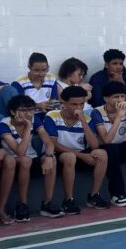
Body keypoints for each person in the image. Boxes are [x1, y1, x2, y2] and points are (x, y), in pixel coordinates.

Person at [38, 85, 111, 214]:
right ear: (64, 103)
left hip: (79, 153)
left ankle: (94, 195)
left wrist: (83, 121)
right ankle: (68, 200)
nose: (78, 108)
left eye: (81, 104)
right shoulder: (52, 116)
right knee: (69, 157)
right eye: (74, 104)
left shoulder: (86, 118)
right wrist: (81, 156)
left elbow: (94, 145)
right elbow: (53, 144)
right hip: (57, 153)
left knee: (102, 154)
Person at [0, 94, 60, 222]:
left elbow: (48, 142)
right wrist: (27, 127)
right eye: (23, 110)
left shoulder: (35, 120)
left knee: (52, 159)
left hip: (31, 158)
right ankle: (22, 205)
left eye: (31, 110)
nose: (28, 114)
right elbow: (20, 152)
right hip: (12, 160)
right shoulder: (4, 124)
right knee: (25, 160)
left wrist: (49, 156)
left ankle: (47, 203)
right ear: (13, 112)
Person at [89, 49, 126, 115]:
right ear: (106, 65)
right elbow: (98, 102)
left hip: (120, 106)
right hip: (103, 107)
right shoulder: (97, 78)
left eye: (121, 64)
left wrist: (121, 82)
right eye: (115, 64)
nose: (119, 67)